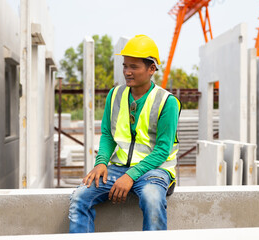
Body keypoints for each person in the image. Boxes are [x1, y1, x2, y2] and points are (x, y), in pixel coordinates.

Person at [68, 34, 181, 233]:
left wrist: (130, 176)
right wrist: (101, 162)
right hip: (119, 167)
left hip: (156, 170)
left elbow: (163, 150)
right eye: (125, 66)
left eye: (134, 67)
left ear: (151, 69)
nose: (127, 72)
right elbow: (108, 134)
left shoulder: (167, 102)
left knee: (152, 199)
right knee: (79, 196)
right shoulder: (115, 95)